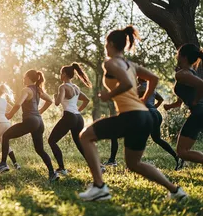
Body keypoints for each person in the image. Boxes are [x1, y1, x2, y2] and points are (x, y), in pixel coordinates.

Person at [78, 26, 187, 201]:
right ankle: (175, 191)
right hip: (144, 117)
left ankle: (99, 187)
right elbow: (154, 79)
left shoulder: (110, 62)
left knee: (85, 136)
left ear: (111, 44)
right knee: (134, 164)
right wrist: (143, 100)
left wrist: (109, 95)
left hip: (131, 116)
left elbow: (127, 83)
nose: (106, 48)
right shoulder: (131, 65)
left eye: (106, 44)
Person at [0, 69, 59, 181]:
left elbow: (18, 104)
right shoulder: (38, 90)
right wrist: (39, 112)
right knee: (40, 149)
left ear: (28, 77)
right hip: (39, 122)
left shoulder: (27, 90)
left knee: (5, 136)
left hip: (30, 121)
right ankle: (52, 173)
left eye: (24, 76)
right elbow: (49, 100)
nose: (23, 79)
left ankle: (3, 163)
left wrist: (10, 114)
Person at [105, 78, 182, 170]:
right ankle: (177, 157)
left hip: (147, 115)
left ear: (139, 80)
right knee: (157, 139)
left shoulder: (140, 88)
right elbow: (160, 99)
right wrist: (153, 108)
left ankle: (120, 162)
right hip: (156, 114)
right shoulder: (152, 89)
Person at [164, 43, 203, 166]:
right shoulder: (188, 73)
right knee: (182, 151)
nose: (176, 56)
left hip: (199, 113)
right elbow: (183, 97)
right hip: (198, 113)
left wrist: (196, 101)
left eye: (178, 54)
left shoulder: (182, 74)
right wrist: (171, 105)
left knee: (182, 151)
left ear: (183, 57)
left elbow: (201, 85)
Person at [48, 63, 90, 175]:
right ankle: (97, 166)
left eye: (61, 73)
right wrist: (78, 111)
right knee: (80, 144)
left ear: (65, 74)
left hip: (69, 116)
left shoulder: (63, 87)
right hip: (78, 118)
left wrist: (55, 96)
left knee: (51, 141)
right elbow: (87, 100)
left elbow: (57, 103)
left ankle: (62, 168)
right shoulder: (76, 88)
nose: (60, 75)